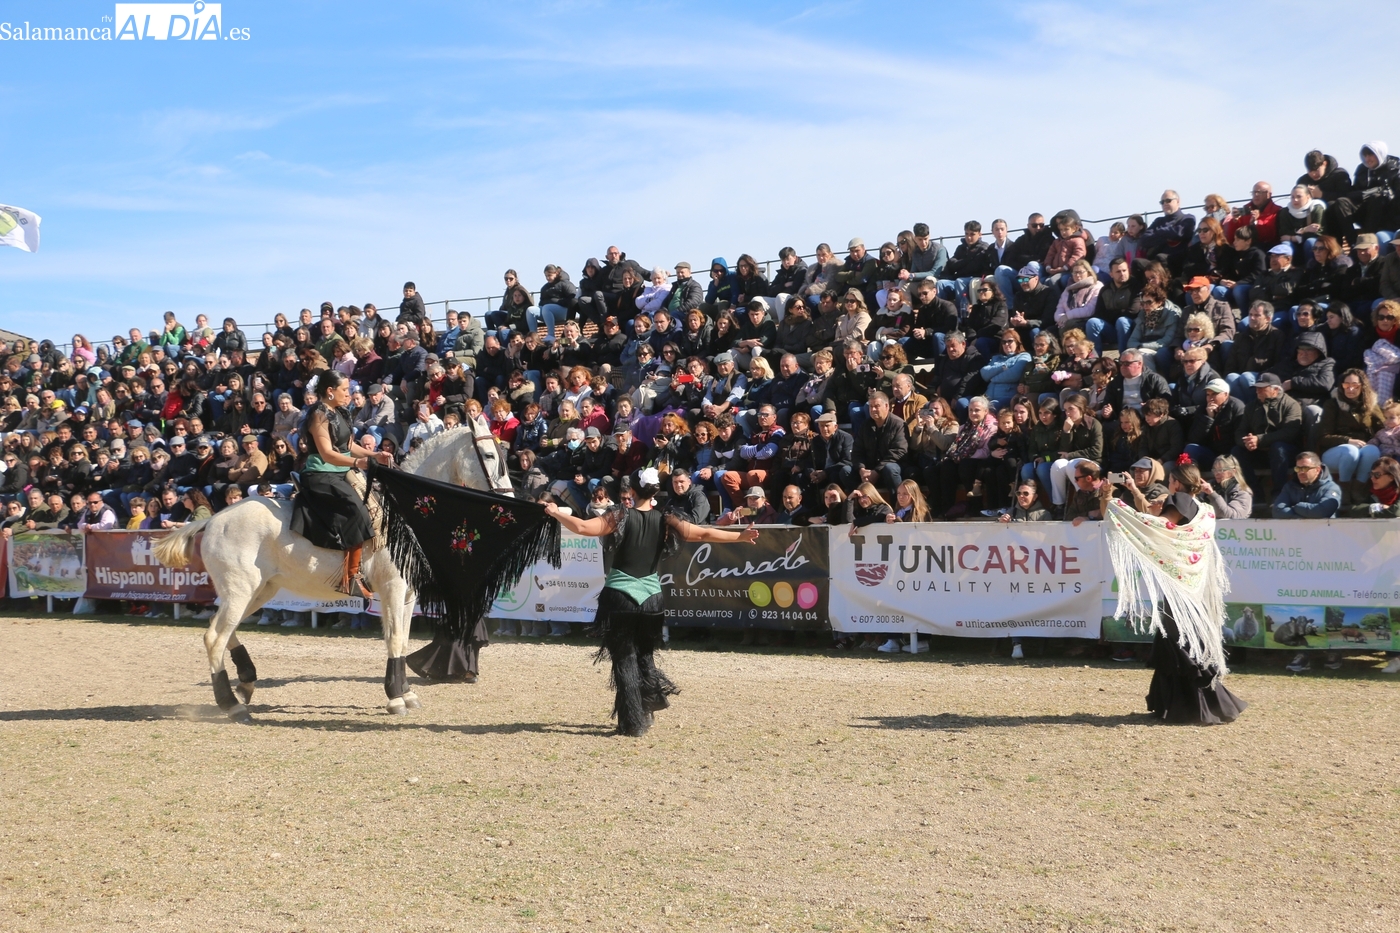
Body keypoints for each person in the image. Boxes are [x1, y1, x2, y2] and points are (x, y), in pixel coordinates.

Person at [545, 468, 759, 737]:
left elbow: (583, 528)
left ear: (632, 491)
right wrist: (739, 536)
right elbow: (702, 534)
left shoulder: (620, 515)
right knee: (644, 655)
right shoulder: (666, 518)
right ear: (655, 491)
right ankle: (647, 707)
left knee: (624, 658)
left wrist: (556, 512)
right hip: (651, 597)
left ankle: (632, 722)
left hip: (620, 595)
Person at [1100, 460, 1246, 724]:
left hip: (1180, 589)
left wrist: (1116, 506)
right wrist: (1135, 494)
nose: (1169, 485)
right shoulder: (1205, 509)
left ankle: (1189, 708)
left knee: (1178, 642)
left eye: (1170, 481)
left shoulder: (1179, 500)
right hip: (1195, 586)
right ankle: (1180, 706)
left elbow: (1161, 527)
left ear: (1177, 483)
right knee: (1182, 640)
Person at [289, 371, 394, 595]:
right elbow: (327, 454)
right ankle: (351, 577)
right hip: (320, 474)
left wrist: (374, 455)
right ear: (330, 391)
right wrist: (358, 462)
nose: (348, 394)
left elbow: (349, 447)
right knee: (356, 510)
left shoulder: (341, 412)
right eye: (344, 390)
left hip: (341, 471)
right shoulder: (318, 415)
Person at [1272, 451, 1342, 519]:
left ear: (1317, 470)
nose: (1300, 472)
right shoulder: (1289, 487)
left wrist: (1297, 507)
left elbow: (1322, 511)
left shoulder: (1331, 488)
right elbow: (1277, 511)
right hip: (1296, 527)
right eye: (1298, 469)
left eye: (1305, 468)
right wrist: (1302, 518)